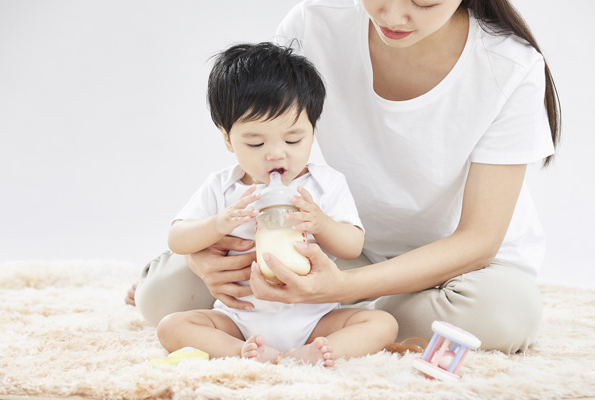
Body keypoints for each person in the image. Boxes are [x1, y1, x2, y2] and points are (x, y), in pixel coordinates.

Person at [129, 0, 561, 355]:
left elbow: (478, 240)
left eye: (423, 1)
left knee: (502, 317)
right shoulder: (315, 23)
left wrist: (338, 288)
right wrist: (201, 261)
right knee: (163, 300)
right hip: (338, 244)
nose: (392, 16)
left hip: (452, 266)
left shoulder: (509, 66)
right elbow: (263, 147)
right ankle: (337, 316)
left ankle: (349, 310)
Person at [154, 42, 398, 367]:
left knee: (383, 324)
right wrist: (218, 224)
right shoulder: (223, 186)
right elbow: (177, 239)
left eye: (293, 139)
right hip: (240, 318)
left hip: (314, 317)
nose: (276, 153)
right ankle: (241, 353)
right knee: (172, 327)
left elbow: (353, 246)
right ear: (227, 138)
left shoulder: (324, 184)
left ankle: (314, 351)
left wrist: (322, 224)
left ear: (313, 131)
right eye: (255, 142)